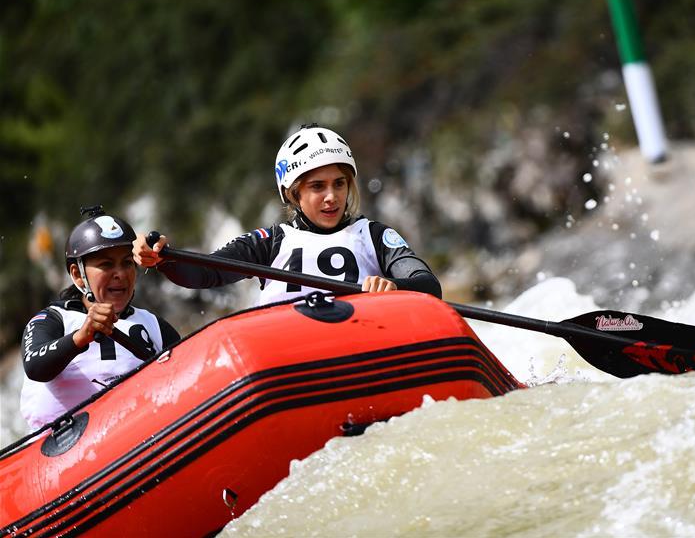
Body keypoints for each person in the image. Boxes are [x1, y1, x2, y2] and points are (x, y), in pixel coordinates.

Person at [132, 124, 442, 304]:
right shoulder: (269, 241)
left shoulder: (374, 235)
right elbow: (204, 274)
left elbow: (427, 283)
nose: (332, 197)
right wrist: (163, 257)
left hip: (361, 342)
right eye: (317, 187)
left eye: (340, 184)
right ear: (294, 193)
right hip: (291, 353)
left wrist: (395, 287)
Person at [20, 206, 181, 430]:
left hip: (139, 436)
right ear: (78, 275)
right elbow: (35, 366)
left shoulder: (154, 325)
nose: (121, 274)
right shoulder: (53, 320)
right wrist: (80, 337)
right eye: (106, 265)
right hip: (68, 454)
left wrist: (170, 260)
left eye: (127, 263)